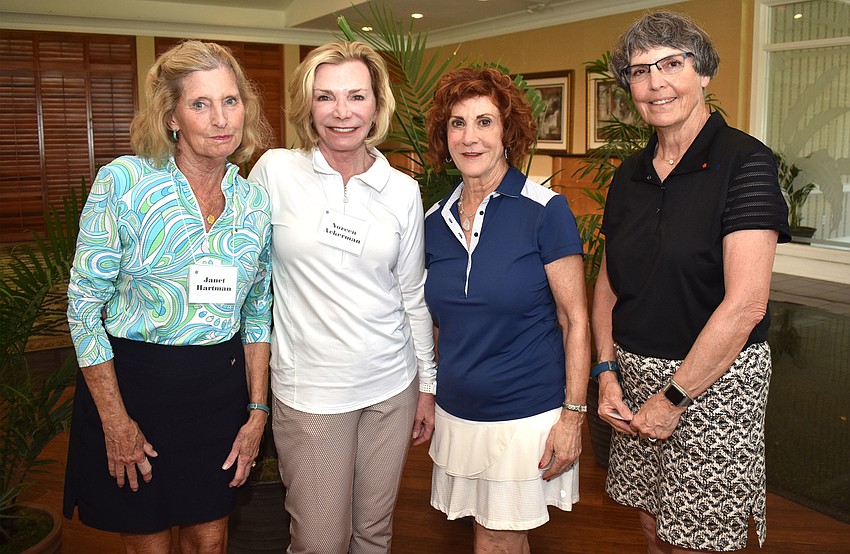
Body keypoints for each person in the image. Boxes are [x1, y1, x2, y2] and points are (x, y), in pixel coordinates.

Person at [591, 11, 791, 553]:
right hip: (632, 378)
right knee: (653, 524)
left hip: (713, 384)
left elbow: (746, 304)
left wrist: (674, 398)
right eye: (639, 71)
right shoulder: (628, 175)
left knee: (697, 540)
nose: (655, 82)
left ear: (703, 73)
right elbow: (609, 284)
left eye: (672, 64)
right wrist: (606, 373)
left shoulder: (745, 162)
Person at [64, 40, 274, 553]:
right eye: (200, 104)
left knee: (211, 538)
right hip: (135, 390)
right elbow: (83, 307)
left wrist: (256, 411)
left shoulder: (253, 201)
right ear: (172, 117)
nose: (221, 118)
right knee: (149, 542)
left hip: (217, 393)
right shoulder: (125, 183)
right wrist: (115, 420)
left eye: (231, 101)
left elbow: (257, 311)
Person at [247, 41, 437, 554]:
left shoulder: (401, 190)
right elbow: (249, 276)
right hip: (311, 393)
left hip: (390, 388)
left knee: (374, 534)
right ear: (308, 105)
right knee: (320, 542)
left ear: (377, 105)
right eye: (326, 97)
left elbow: (411, 294)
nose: (341, 112)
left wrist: (426, 386)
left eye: (356, 96)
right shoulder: (276, 172)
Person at [423, 67, 590, 553]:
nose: (469, 137)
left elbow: (574, 320)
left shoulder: (545, 210)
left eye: (484, 122)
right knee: (488, 536)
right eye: (457, 123)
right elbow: (440, 323)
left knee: (497, 539)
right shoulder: (434, 221)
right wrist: (431, 395)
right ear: (444, 135)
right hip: (459, 414)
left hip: (524, 416)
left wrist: (573, 418)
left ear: (507, 132)